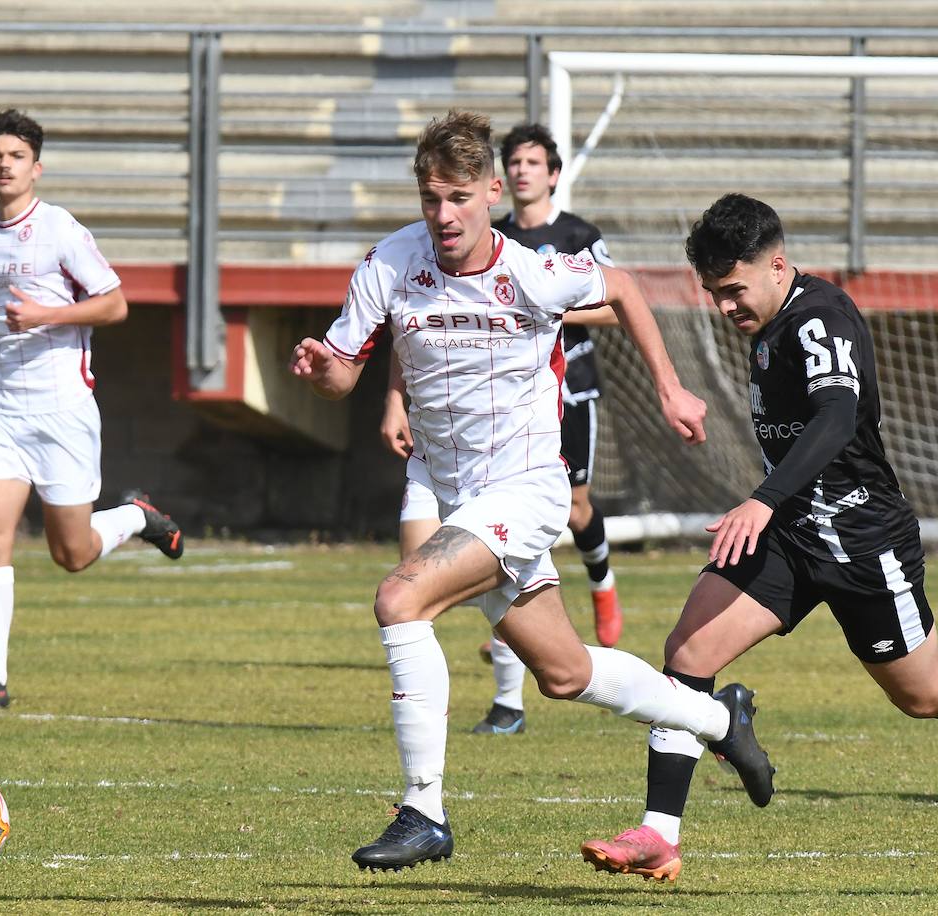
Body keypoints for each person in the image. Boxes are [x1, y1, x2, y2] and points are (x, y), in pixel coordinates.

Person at [289, 111, 776, 873]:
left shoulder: (532, 270)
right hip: (456, 496)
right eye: (429, 199)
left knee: (399, 599)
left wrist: (671, 388)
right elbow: (344, 371)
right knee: (565, 674)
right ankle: (721, 719)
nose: (443, 215)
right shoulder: (388, 264)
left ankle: (424, 810)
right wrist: (326, 373)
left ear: (490, 192)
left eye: (456, 197)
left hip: (524, 489)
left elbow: (621, 286)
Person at [580, 193, 938, 884]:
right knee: (688, 650)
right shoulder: (768, 324)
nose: (724, 308)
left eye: (734, 290)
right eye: (713, 294)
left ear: (777, 265)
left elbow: (838, 415)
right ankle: (659, 833)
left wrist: (761, 500)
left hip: (863, 542)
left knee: (925, 694)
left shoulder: (819, 317)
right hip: (792, 536)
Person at [379, 123, 629, 737]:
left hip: (556, 402)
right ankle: (509, 701)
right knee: (555, 658)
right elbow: (417, 324)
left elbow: (618, 298)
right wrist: (395, 397)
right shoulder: (483, 237)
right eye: (514, 161)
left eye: (532, 162)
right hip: (460, 437)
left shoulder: (568, 243)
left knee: (574, 509)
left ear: (551, 172)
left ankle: (602, 583)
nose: (522, 172)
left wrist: (542, 305)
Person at [0, 109, 184, 710]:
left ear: (36, 168)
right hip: (1, 405)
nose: (3, 164)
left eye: (16, 156)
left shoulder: (61, 230)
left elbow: (115, 304)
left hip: (62, 409)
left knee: (70, 554)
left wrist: (47, 316)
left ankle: (135, 517)